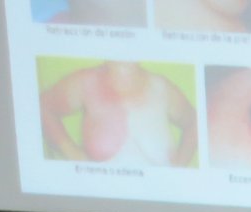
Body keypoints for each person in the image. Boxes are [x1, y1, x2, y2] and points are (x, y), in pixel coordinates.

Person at [39, 60, 199, 168]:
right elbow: (43, 108)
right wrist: (73, 155)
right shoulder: (87, 82)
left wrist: (180, 169)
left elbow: (195, 123)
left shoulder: (161, 88)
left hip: (163, 208)